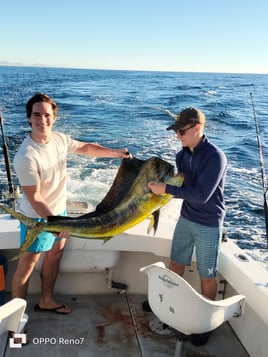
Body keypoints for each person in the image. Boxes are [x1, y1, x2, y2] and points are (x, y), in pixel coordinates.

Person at [12, 93, 130, 314]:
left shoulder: (58, 139)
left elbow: (85, 148)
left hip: (60, 212)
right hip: (38, 218)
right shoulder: (25, 156)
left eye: (47, 115)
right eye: (36, 114)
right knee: (25, 267)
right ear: (29, 118)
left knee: (54, 256)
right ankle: (16, 324)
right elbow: (34, 197)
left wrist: (114, 153)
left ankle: (46, 301)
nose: (42, 119)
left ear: (54, 117)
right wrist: (57, 223)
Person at [147, 107, 227, 343]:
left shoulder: (215, 157)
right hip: (186, 217)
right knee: (176, 264)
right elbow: (182, 183)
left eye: (182, 131)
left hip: (208, 222)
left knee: (207, 274)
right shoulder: (182, 154)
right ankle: (171, 305)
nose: (178, 136)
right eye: (176, 132)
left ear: (197, 128)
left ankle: (205, 324)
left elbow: (202, 195)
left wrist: (166, 189)